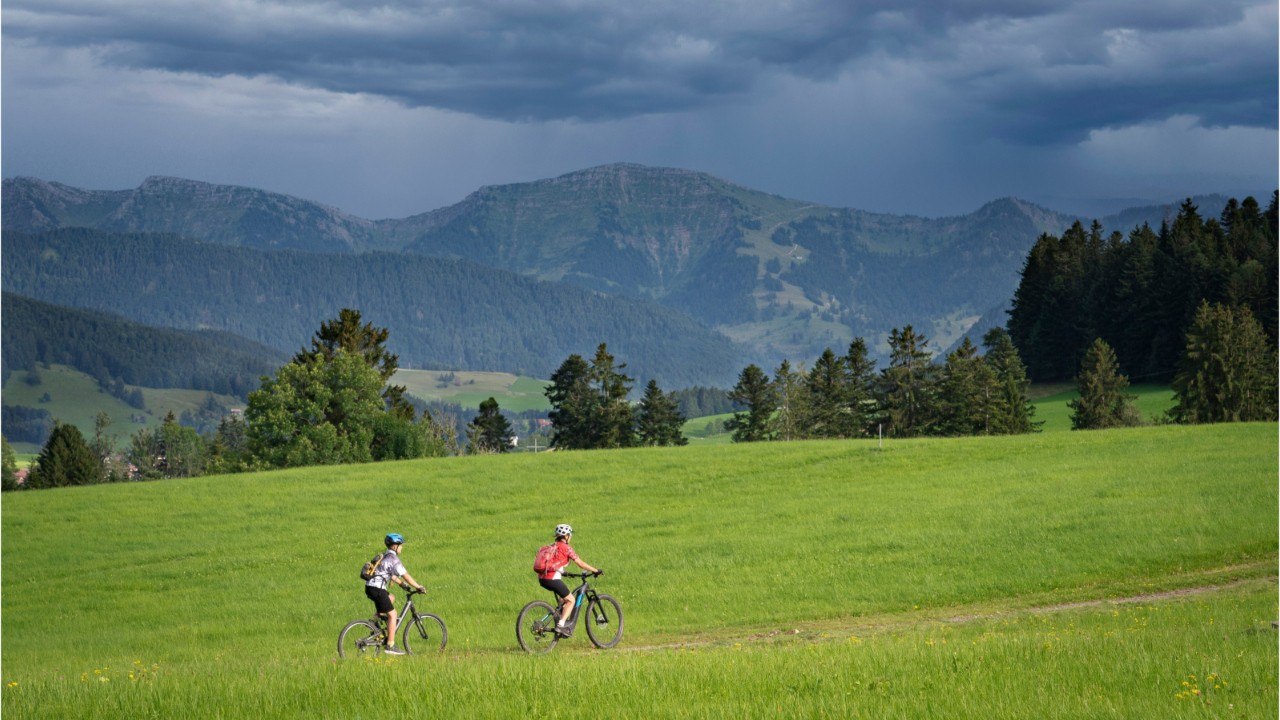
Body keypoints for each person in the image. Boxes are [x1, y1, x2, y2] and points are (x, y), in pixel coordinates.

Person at [365, 532, 426, 655]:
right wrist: (418, 586)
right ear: (394, 546)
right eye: (400, 545)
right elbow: (406, 575)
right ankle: (390, 645)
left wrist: (401, 584)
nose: (402, 547)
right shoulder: (393, 559)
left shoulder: (385, 556)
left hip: (370, 587)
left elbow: (389, 574)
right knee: (393, 615)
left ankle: (374, 622)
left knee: (391, 597)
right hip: (377, 588)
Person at [536, 523, 601, 636]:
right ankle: (561, 626)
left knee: (563, 600)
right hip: (552, 579)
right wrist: (595, 570)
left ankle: (560, 619)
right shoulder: (566, 548)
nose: (570, 537)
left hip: (542, 579)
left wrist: (566, 573)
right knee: (571, 600)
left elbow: (553, 564)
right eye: (570, 535)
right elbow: (580, 563)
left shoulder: (552, 546)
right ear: (566, 536)